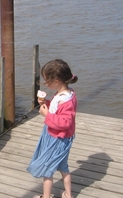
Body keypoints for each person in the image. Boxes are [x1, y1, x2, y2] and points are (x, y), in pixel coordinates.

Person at [27, 59, 78, 198]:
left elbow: (64, 122)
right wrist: (47, 104)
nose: (45, 83)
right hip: (61, 138)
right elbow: (57, 110)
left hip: (57, 139)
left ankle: (46, 196)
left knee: (47, 171)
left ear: (56, 81)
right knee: (63, 167)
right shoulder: (67, 93)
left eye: (46, 81)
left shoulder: (65, 100)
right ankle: (68, 194)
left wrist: (46, 115)